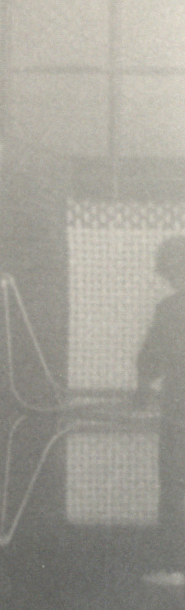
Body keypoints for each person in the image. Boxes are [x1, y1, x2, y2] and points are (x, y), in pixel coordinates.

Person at [136, 235, 185, 588]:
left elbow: (150, 359)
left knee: (175, 486)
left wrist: (141, 390)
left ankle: (176, 567)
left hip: (178, 413)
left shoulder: (171, 309)